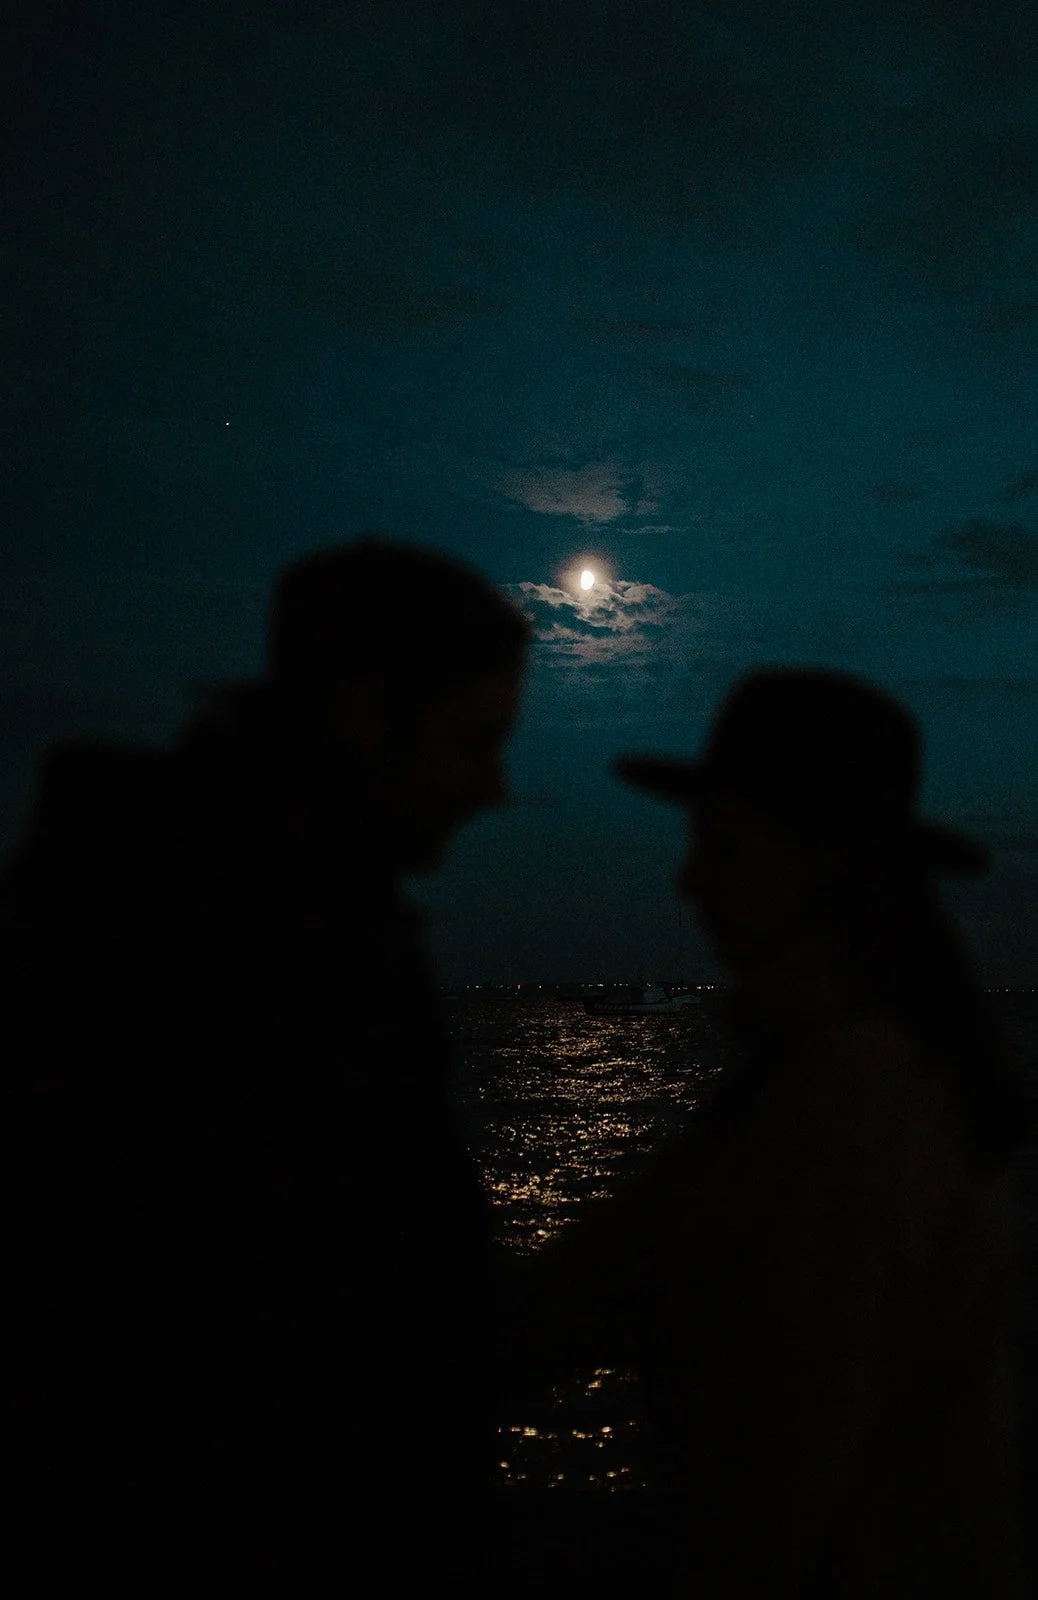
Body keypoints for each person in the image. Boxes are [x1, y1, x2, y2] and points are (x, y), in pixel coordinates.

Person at [4, 538, 530, 1594]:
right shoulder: (236, 949)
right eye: (472, 743)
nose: (495, 788)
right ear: (363, 713)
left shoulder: (204, 903)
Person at [507, 668, 1030, 1598]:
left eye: (721, 844)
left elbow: (777, 1488)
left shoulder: (847, 1097)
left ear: (817, 863)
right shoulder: (859, 1075)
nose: (689, 878)